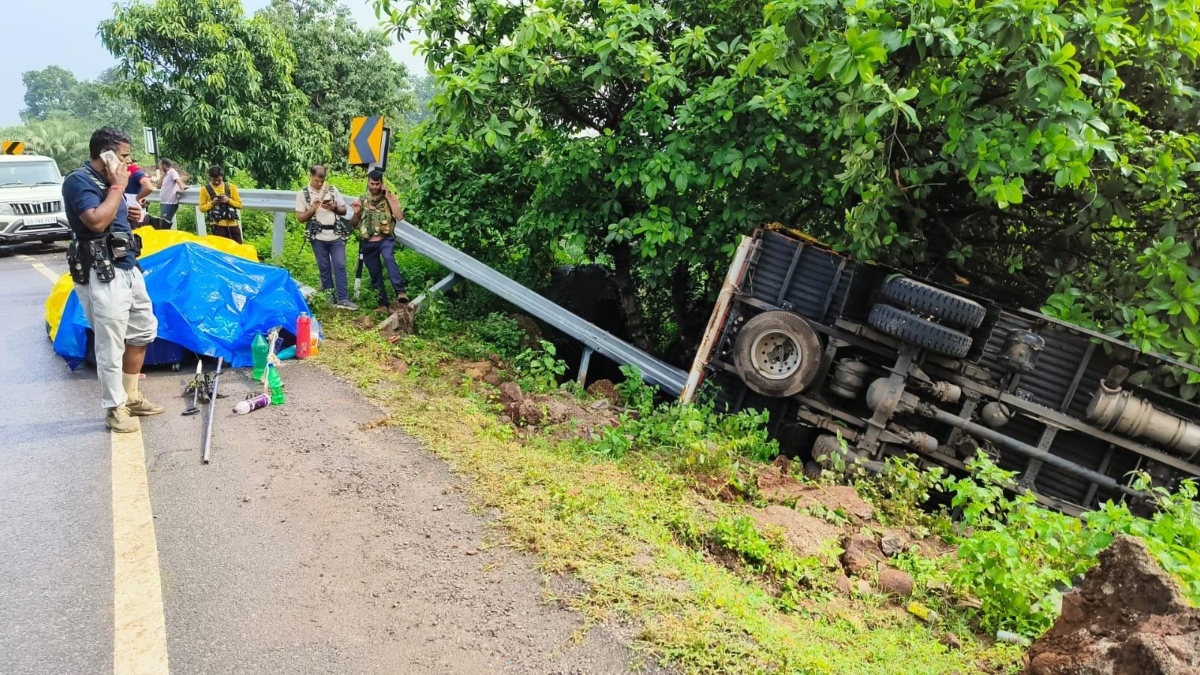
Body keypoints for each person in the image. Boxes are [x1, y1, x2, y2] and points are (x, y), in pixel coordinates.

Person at [61, 127, 165, 433]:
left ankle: (130, 395)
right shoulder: (79, 181)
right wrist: (119, 189)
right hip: (101, 272)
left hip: (128, 266)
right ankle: (114, 407)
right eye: (123, 157)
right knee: (110, 342)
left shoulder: (111, 183)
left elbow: (113, 219)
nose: (128, 165)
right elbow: (94, 221)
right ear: (105, 156)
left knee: (143, 330)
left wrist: (133, 216)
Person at [296, 165, 356, 309]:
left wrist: (333, 207)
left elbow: (344, 210)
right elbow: (300, 218)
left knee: (340, 265)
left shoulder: (332, 190)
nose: (319, 184)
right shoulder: (303, 194)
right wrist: (313, 209)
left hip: (335, 234)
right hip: (317, 236)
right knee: (324, 267)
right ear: (310, 176)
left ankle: (343, 298)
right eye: (317, 180)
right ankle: (330, 297)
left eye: (322, 181)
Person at [350, 169, 407, 311]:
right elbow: (353, 223)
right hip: (368, 242)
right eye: (372, 183)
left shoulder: (389, 197)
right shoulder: (362, 200)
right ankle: (383, 304)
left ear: (382, 184)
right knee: (374, 272)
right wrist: (356, 213)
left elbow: (399, 216)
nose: (374, 187)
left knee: (389, 259)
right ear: (368, 182)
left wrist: (388, 196)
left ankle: (400, 292)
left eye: (377, 184)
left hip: (384, 239)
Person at [199, 165, 243, 243]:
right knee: (221, 248)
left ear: (222, 176)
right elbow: (202, 208)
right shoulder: (204, 189)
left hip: (232, 223)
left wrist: (228, 200)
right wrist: (212, 203)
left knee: (238, 246)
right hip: (217, 225)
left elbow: (239, 205)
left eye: (219, 180)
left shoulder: (231, 187)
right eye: (214, 180)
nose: (216, 182)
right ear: (210, 178)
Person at [157, 158, 188, 227]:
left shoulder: (172, 172)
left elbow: (178, 180)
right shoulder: (166, 175)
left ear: (164, 165)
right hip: (164, 203)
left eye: (161, 165)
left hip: (170, 203)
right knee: (162, 223)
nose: (160, 167)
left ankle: (166, 237)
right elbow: (158, 186)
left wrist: (182, 187)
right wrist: (162, 176)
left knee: (164, 224)